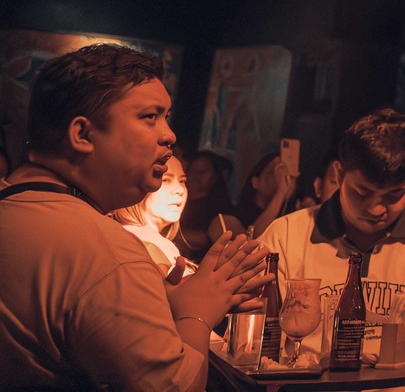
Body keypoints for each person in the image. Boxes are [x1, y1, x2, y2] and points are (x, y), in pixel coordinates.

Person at [0, 43, 270, 392]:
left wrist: (165, 304)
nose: (169, 135)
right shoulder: (108, 252)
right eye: (150, 117)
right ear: (83, 134)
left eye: (166, 117)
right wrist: (197, 312)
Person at [256, 108, 405, 362]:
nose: (376, 209)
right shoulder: (285, 237)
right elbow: (259, 350)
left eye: (394, 195)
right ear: (339, 174)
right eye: (361, 192)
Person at [111, 147, 195, 279]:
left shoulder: (124, 233)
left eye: (182, 181)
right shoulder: (143, 240)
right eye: (165, 180)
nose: (179, 190)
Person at [176, 147, 239, 261]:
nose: (196, 176)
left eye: (203, 172)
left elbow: (211, 237)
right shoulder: (175, 201)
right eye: (192, 171)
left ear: (215, 175)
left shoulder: (220, 205)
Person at [233, 148, 299, 239]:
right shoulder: (234, 217)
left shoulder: (293, 217)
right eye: (273, 173)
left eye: (288, 174)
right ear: (256, 182)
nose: (282, 178)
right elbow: (254, 238)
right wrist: (280, 192)